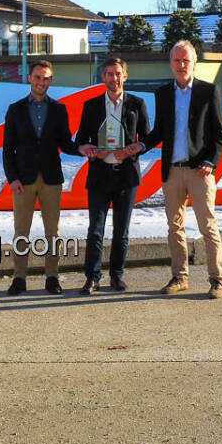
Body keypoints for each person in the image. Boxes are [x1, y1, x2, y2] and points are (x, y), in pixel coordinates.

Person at [143, 40, 222, 298]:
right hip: (172, 171)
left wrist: (211, 161)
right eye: (177, 60)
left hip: (200, 171)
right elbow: (158, 132)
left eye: (186, 60)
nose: (181, 65)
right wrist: (139, 145)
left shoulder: (208, 91)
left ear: (195, 63)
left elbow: (219, 135)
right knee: (174, 226)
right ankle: (179, 277)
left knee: (208, 226)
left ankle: (217, 280)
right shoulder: (163, 93)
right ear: (171, 63)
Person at [1, 58, 78, 295]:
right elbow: (7, 149)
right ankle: (19, 278)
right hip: (23, 180)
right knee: (21, 231)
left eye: (45, 78)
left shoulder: (58, 109)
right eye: (37, 77)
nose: (41, 82)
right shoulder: (15, 110)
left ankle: (52, 278)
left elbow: (65, 143)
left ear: (50, 80)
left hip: (51, 179)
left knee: (52, 232)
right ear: (29, 78)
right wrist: (12, 178)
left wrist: (83, 148)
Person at [74, 57, 150, 295]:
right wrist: (90, 149)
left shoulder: (137, 103)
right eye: (109, 73)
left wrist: (135, 149)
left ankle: (116, 276)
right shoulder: (92, 105)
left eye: (118, 73)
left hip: (126, 176)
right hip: (100, 174)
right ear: (103, 77)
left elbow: (147, 137)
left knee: (121, 230)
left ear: (125, 76)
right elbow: (81, 140)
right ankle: (92, 278)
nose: (114, 78)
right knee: (95, 229)